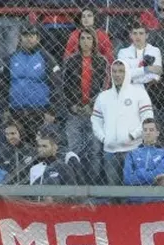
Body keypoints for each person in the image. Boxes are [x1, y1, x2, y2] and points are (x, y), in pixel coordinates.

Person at [92, 59, 154, 185]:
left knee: (133, 190)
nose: (117, 74)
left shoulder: (139, 93)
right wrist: (104, 138)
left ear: (127, 73)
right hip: (110, 151)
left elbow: (147, 119)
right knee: (113, 191)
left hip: (133, 149)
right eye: (114, 71)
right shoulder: (103, 96)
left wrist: (133, 135)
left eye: (121, 71)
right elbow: (95, 120)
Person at [62, 27, 107, 184]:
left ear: (94, 41)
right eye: (83, 39)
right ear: (78, 41)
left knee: (94, 150)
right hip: (74, 112)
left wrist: (92, 105)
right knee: (74, 150)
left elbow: (104, 87)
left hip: (94, 114)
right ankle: (75, 182)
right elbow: (65, 87)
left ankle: (92, 183)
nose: (86, 42)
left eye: (89, 38)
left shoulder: (101, 62)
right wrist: (72, 105)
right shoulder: (71, 61)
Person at [0, 25, 58, 144]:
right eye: (25, 35)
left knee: (38, 145)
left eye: (32, 35)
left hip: (40, 112)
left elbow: (56, 85)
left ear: (38, 38)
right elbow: (2, 85)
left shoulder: (47, 58)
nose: (29, 38)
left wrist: (52, 111)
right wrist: (4, 108)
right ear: (20, 37)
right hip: (15, 112)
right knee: (16, 146)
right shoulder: (11, 58)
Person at [124, 118, 164, 185]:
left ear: (157, 133)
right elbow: (127, 179)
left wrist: (139, 172)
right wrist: (151, 175)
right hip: (136, 194)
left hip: (157, 193)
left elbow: (160, 178)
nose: (147, 132)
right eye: (145, 130)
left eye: (151, 130)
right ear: (142, 133)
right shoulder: (132, 153)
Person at [116, 24, 163, 88]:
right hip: (129, 88)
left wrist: (133, 77)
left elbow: (157, 74)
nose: (138, 37)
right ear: (131, 35)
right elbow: (124, 74)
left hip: (149, 88)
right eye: (135, 33)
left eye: (141, 33)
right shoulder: (123, 52)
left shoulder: (155, 50)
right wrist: (147, 69)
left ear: (147, 35)